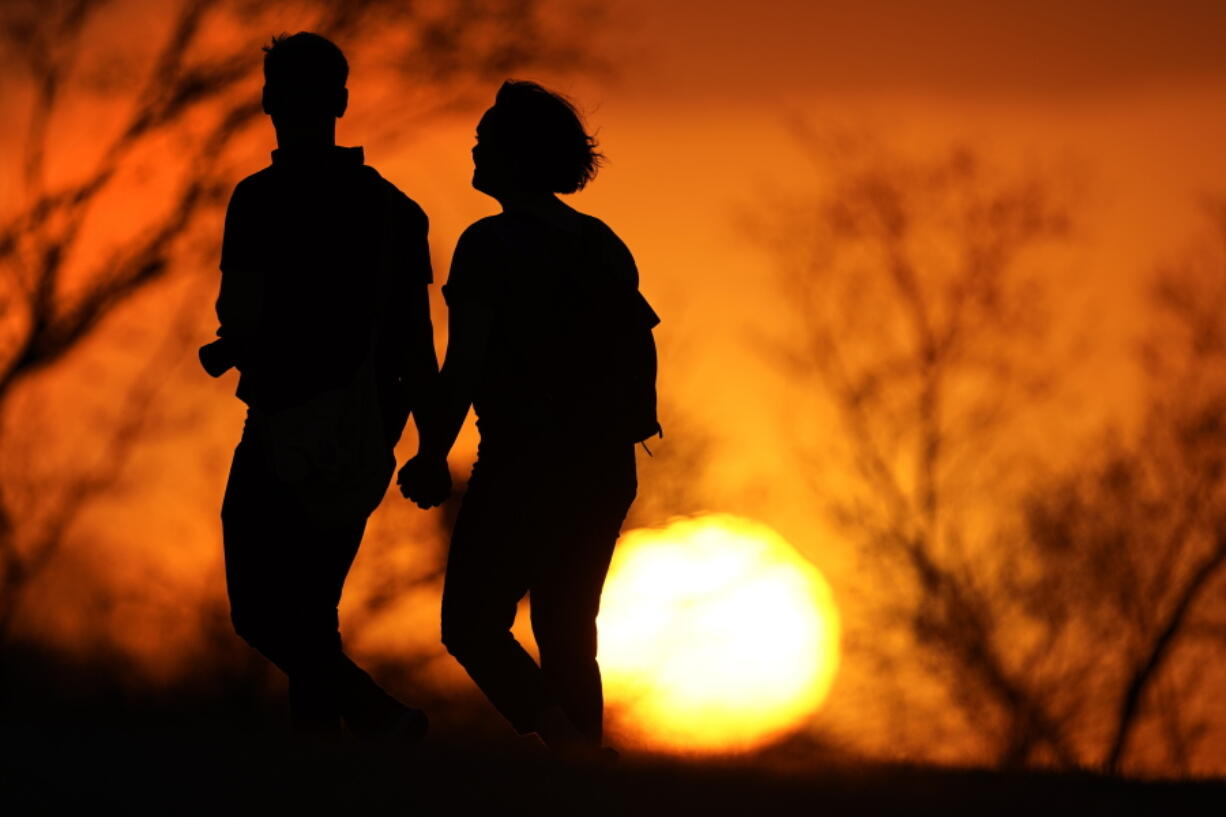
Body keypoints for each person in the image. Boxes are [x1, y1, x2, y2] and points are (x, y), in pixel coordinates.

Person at [397, 80, 661, 759]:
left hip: (523, 462)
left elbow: (465, 367)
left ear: (520, 156)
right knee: (569, 628)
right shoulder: (603, 243)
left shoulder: (490, 245)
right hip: (605, 467)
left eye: (489, 139)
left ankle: (566, 745)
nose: (476, 147)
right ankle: (584, 772)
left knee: (470, 624)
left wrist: (431, 452)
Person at [199, 32, 436, 741]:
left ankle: (375, 715)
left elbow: (238, 315)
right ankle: (331, 771)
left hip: (276, 426)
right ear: (341, 100)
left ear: (270, 101)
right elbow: (417, 342)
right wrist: (430, 446)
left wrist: (240, 344)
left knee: (262, 613)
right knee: (311, 613)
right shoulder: (397, 211)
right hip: (367, 431)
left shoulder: (259, 200)